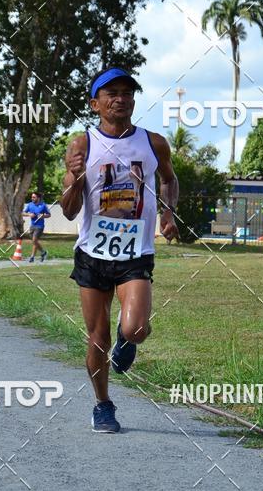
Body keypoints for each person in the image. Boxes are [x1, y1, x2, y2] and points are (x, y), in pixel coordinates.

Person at [61, 66, 179, 433]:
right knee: (98, 336)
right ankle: (103, 404)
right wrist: (76, 178)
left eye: (127, 92)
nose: (121, 98)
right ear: (95, 103)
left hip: (134, 253)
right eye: (111, 93)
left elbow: (170, 180)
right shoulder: (82, 144)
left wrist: (168, 214)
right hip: (93, 253)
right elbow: (67, 210)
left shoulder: (153, 142)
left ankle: (128, 341)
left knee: (138, 327)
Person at [22, 192, 51, 262]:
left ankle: (37, 254)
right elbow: (23, 213)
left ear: (38, 198)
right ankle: (40, 254)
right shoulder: (30, 205)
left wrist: (43, 216)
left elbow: (49, 215)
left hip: (39, 226)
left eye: (34, 197)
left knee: (34, 240)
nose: (32, 198)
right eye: (32, 197)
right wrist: (29, 215)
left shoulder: (43, 205)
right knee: (34, 241)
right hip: (32, 225)